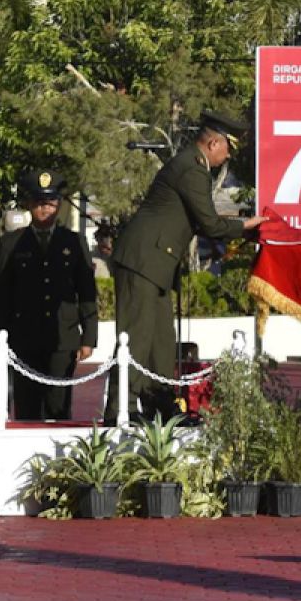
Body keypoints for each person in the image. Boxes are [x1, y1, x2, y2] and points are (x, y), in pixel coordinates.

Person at [105, 111, 266, 423]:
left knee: (162, 341)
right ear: (213, 142)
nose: (228, 155)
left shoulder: (194, 166)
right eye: (227, 147)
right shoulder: (192, 170)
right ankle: (119, 410)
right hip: (143, 260)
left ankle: (160, 406)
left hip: (157, 264)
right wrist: (246, 225)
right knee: (137, 338)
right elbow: (209, 223)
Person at [0, 170, 99, 420]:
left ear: (59, 206)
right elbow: (2, 295)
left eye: (50, 204)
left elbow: (86, 292)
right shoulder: (11, 243)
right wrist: (0, 338)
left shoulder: (74, 242)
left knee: (58, 406)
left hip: (63, 338)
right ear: (29, 205)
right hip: (24, 337)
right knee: (27, 407)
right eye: (39, 203)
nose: (45, 209)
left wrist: (88, 337)